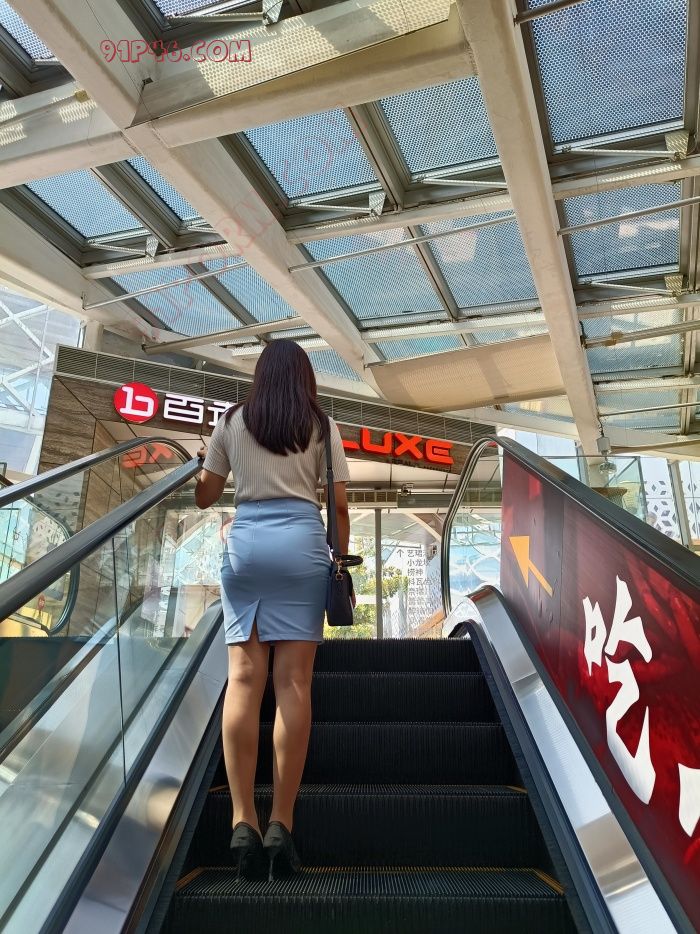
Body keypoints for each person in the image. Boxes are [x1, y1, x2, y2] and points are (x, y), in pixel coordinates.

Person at [194, 340, 352, 882]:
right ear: (306, 377)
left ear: (260, 375)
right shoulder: (320, 424)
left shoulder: (232, 421)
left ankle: (243, 820)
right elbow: (339, 505)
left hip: (247, 543)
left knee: (244, 680)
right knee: (293, 683)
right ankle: (282, 821)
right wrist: (337, 558)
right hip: (302, 544)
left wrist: (199, 469)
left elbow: (206, 496)